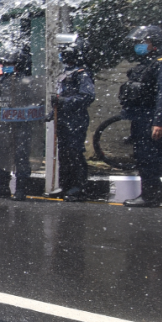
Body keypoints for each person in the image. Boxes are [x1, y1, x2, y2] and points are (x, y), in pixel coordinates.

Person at [118, 26, 162, 207]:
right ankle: (148, 194)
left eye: (143, 42)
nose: (139, 46)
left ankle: (150, 196)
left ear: (154, 43)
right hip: (141, 117)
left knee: (150, 158)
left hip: (150, 118)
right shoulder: (147, 63)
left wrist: (159, 121)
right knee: (142, 157)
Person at [0, 52, 39, 200]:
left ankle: (21, 189)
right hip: (1, 127)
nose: (7, 68)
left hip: (21, 126)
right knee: (2, 155)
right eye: (5, 65)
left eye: (11, 65)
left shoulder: (27, 82)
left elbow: (35, 103)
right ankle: (3, 186)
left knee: (21, 156)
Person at [51, 33, 95, 202]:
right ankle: (65, 185)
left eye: (64, 51)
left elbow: (87, 97)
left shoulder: (82, 74)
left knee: (74, 152)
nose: (62, 53)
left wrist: (64, 101)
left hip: (75, 119)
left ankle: (78, 187)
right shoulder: (65, 72)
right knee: (64, 153)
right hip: (63, 118)